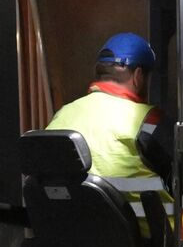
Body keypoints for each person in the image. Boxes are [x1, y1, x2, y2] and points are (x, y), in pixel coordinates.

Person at [44, 32, 168, 181]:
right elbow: (181, 172)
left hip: (67, 205)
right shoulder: (150, 119)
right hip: (130, 205)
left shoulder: (62, 114)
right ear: (138, 76)